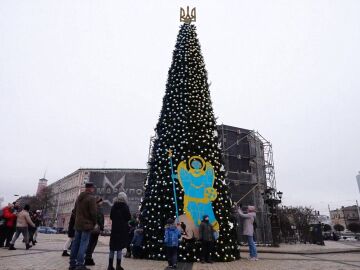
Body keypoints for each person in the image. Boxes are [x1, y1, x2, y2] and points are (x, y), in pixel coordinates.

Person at [69, 182, 97, 270]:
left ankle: (72, 263)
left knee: (75, 244)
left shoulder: (79, 198)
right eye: (93, 188)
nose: (94, 189)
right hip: (86, 225)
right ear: (90, 188)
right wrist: (95, 222)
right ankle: (80, 264)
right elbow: (93, 213)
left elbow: (74, 211)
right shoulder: (91, 198)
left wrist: (77, 219)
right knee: (83, 244)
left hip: (78, 225)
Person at [108, 192, 131, 270]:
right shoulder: (125, 206)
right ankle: (118, 266)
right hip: (122, 230)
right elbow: (128, 217)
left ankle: (110, 266)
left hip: (114, 229)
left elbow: (111, 217)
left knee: (112, 248)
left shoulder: (113, 206)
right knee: (119, 248)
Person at [85, 197, 105, 265]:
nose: (102, 203)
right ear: (98, 202)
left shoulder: (93, 208)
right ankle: (88, 257)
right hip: (95, 228)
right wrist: (101, 227)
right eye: (101, 201)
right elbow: (100, 218)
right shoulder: (98, 209)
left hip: (91, 228)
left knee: (90, 243)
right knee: (92, 243)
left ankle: (88, 257)